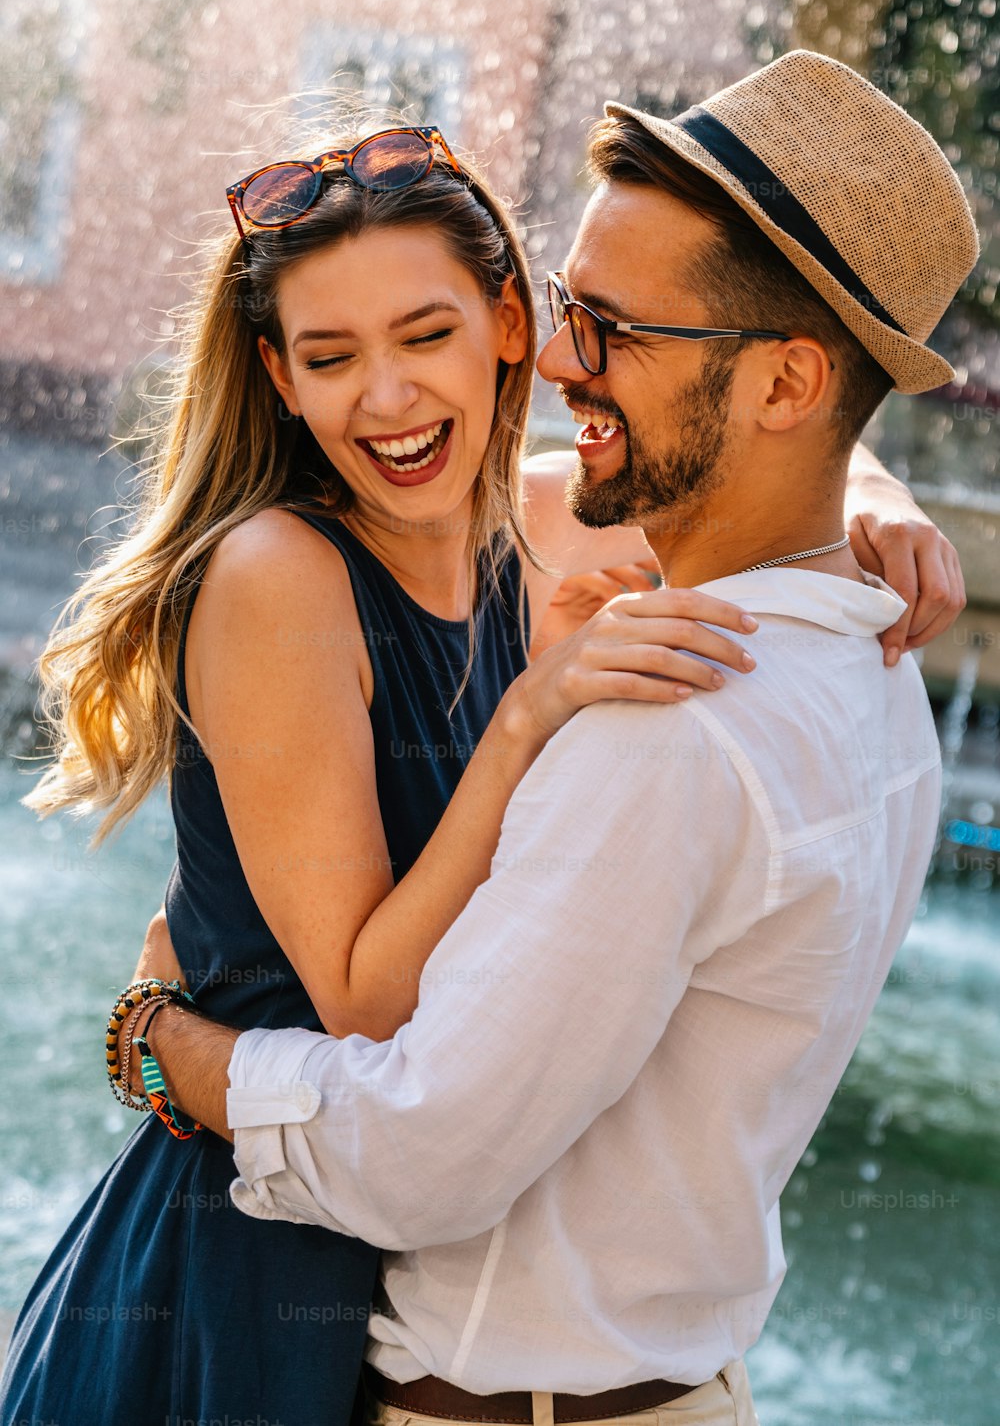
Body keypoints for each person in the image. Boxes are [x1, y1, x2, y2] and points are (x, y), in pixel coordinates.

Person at [0, 99, 961, 1426]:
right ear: (279, 378)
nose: (385, 399)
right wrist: (524, 724)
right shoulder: (279, 576)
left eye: (427, 334)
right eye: (328, 356)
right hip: (243, 1268)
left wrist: (882, 508)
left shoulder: (541, 514)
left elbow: (761, 458)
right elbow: (360, 1002)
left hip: (377, 1260)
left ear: (509, 326)